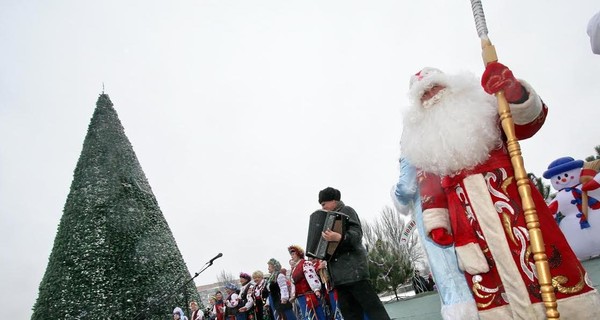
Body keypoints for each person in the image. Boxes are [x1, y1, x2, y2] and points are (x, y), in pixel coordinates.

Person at [400, 63, 600, 319]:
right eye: (423, 95)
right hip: (469, 224)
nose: (431, 96)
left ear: (449, 85)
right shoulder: (424, 143)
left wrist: (514, 92)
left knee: (548, 269)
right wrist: (437, 221)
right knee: (493, 288)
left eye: (434, 87)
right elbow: (429, 186)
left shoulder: (482, 107)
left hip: (515, 204)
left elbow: (528, 123)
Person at [392, 158, 478, 319]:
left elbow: (405, 188)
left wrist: (394, 193)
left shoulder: (411, 145)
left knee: (449, 276)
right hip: (457, 204)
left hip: (430, 212)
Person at [317, 187, 390, 320]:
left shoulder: (346, 211)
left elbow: (357, 234)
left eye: (324, 204)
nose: (323, 208)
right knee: (350, 315)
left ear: (334, 201)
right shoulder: (325, 222)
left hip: (354, 272)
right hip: (339, 278)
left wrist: (339, 238)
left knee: (374, 310)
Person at [288, 245, 327, 320]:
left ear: (299, 254)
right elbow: (293, 284)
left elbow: (311, 276)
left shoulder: (305, 263)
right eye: (291, 255)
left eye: (293, 254)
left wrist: (316, 289)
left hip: (308, 295)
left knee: (315, 316)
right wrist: (293, 295)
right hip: (300, 297)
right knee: (307, 316)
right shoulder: (294, 268)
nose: (292, 256)